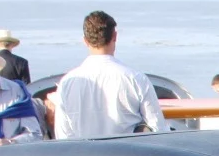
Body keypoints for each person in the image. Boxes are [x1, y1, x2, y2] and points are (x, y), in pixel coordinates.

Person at [54, 11, 164, 140]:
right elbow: (158, 129)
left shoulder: (67, 83)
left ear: (85, 41)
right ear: (115, 36)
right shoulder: (135, 79)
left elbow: (63, 135)